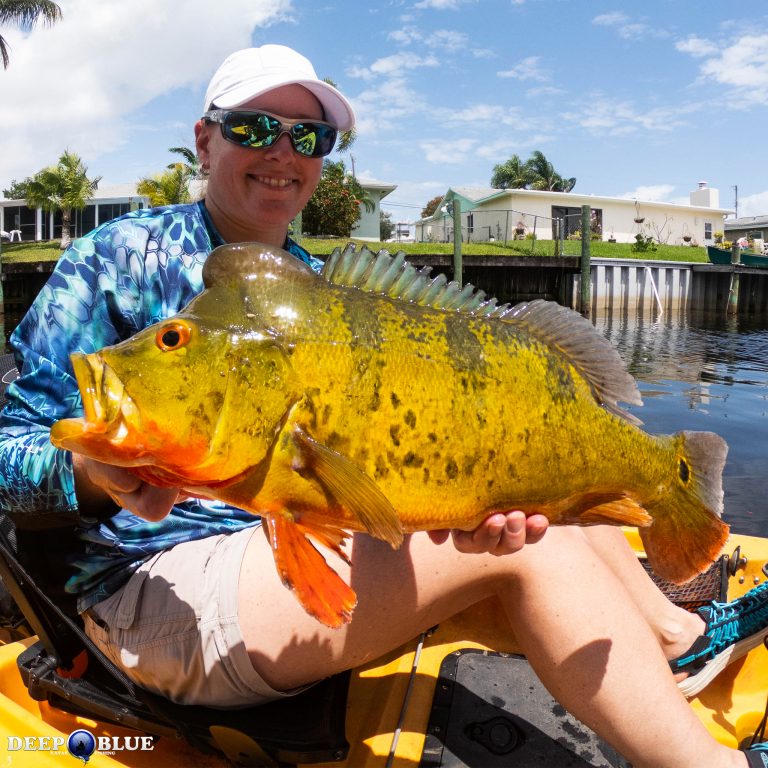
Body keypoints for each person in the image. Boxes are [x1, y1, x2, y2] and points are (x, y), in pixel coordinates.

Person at [1, 44, 767, 768]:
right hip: (155, 595)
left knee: (545, 505)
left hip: (289, 554)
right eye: (254, 127)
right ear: (205, 140)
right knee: (535, 551)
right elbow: (8, 451)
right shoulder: (117, 259)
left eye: (309, 137)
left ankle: (674, 637)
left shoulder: (317, 287)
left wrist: (467, 493)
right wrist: (95, 473)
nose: (283, 151)